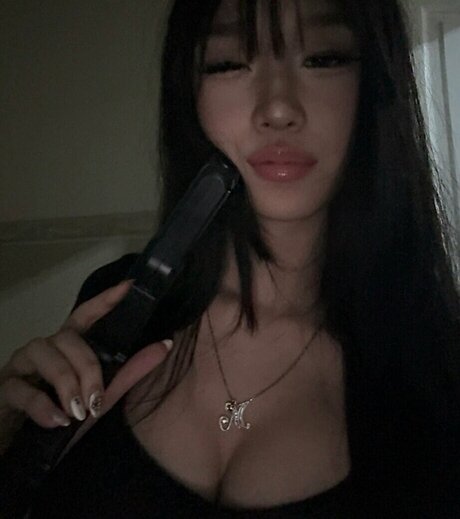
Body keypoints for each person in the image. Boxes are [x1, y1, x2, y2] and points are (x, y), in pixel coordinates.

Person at [0, 0, 459, 517]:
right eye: (227, 63)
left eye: (324, 58)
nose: (277, 109)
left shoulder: (440, 364)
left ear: (376, 83)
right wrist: (14, 462)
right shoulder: (116, 301)